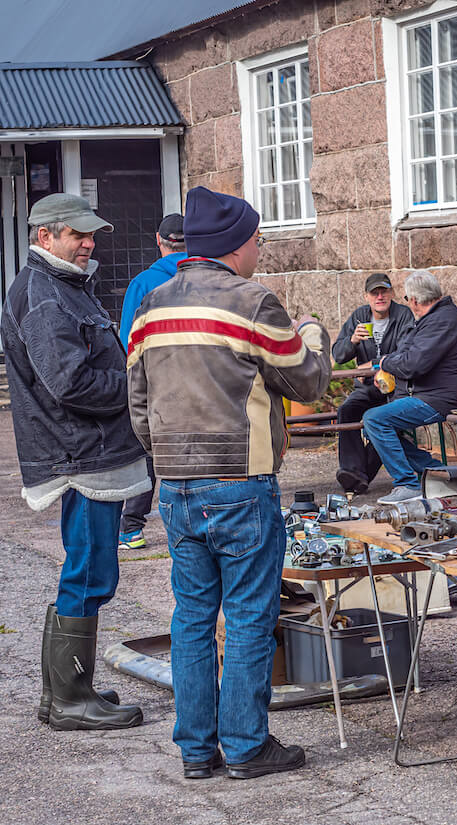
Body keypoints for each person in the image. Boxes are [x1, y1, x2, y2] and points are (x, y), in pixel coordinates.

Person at [127, 187, 330, 780]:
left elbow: (137, 401)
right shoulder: (253, 301)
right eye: (258, 241)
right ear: (238, 246)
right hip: (241, 481)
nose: (260, 251)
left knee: (191, 618)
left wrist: (164, 455)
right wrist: (311, 330)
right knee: (246, 616)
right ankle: (245, 746)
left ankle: (196, 750)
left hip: (176, 484)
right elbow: (309, 383)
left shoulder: (153, 306)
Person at [1, 193, 149, 731]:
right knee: (88, 573)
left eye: (91, 235)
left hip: (88, 451)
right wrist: (140, 383)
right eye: (77, 235)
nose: (89, 243)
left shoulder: (60, 286)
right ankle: (68, 698)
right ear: (45, 237)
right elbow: (71, 384)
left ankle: (67, 691)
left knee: (90, 570)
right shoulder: (44, 294)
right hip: (82, 455)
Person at [366, 269, 457, 505]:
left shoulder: (442, 320)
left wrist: (384, 362)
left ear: (413, 300)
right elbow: (405, 354)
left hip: (438, 399)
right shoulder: (431, 319)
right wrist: (389, 366)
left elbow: (413, 364)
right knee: (370, 425)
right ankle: (435, 470)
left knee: (375, 419)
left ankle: (407, 484)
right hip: (425, 395)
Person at [116, 213, 187, 551]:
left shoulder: (144, 282)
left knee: (147, 450)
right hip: (198, 379)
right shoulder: (208, 278)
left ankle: (131, 527)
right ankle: (190, 524)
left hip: (154, 378)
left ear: (159, 241)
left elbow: (127, 336)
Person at [331, 272, 415, 494]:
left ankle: (358, 476)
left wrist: (372, 364)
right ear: (366, 296)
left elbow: (405, 353)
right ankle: (352, 470)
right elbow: (338, 355)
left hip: (397, 388)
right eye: (374, 293)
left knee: (384, 421)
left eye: (384, 291)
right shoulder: (359, 317)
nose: (380, 297)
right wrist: (352, 341)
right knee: (346, 410)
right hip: (368, 388)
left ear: (391, 293)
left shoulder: (403, 315)